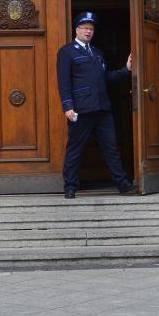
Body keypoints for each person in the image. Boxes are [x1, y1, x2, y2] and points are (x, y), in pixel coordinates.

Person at [57, 12, 135, 199]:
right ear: (77, 30)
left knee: (111, 147)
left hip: (102, 108)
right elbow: (64, 81)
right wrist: (68, 106)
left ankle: (122, 185)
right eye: (84, 28)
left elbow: (105, 77)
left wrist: (126, 70)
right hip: (81, 109)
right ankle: (70, 187)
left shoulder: (98, 52)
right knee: (75, 149)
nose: (88, 31)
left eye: (91, 29)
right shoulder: (67, 51)